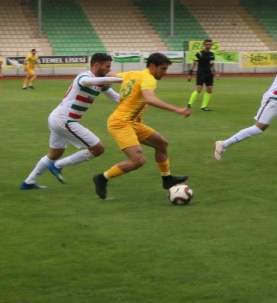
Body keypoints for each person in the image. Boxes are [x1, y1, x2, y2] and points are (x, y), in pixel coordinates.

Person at [93, 52, 191, 200]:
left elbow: (113, 74)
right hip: (121, 123)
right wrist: (177, 109)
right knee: (138, 161)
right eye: (163, 69)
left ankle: (167, 179)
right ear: (152, 66)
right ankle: (102, 178)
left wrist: (95, 75)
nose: (165, 73)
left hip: (133, 122)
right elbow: (150, 99)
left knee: (162, 144)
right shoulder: (148, 78)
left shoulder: (133, 74)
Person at [20, 53, 123, 190]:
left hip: (57, 118)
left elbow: (116, 98)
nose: (109, 70)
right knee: (98, 149)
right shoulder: (85, 76)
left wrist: (138, 100)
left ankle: (28, 182)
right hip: (65, 120)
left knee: (55, 153)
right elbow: (86, 83)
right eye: (107, 67)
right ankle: (57, 166)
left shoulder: (100, 82)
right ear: (96, 65)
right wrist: (117, 79)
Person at [187, 39, 219, 111]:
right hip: (201, 74)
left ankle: (204, 106)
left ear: (211, 45)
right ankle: (189, 104)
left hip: (209, 74)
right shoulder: (199, 53)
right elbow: (193, 63)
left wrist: (216, 73)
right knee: (198, 90)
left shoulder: (212, 54)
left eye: (209, 44)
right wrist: (190, 73)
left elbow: (212, 64)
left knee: (210, 90)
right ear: (204, 45)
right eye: (207, 44)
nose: (208, 46)